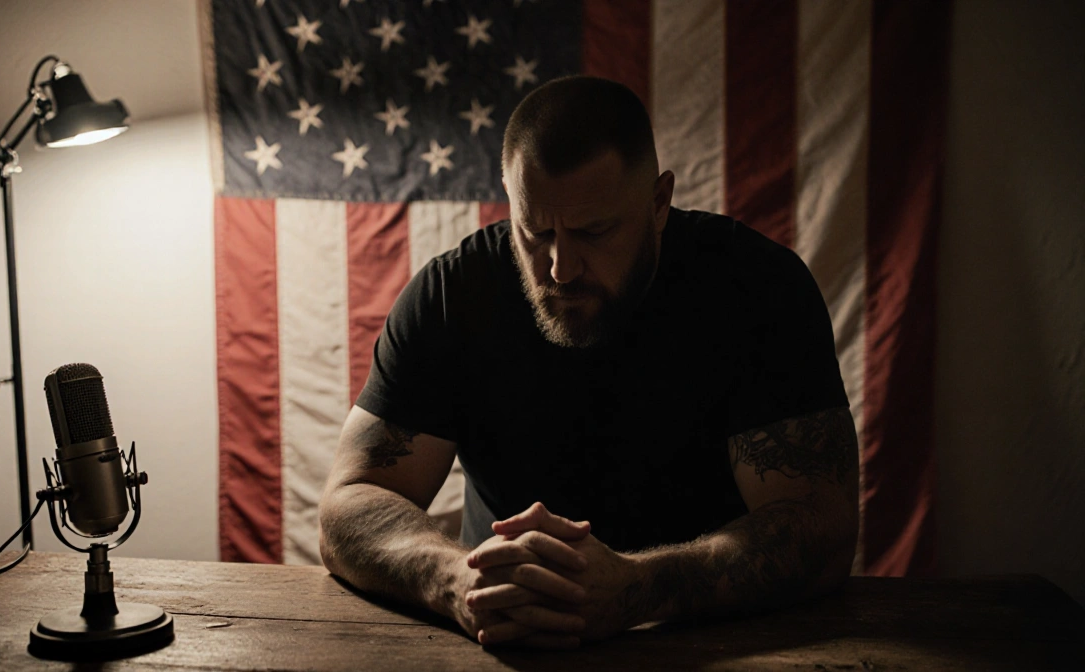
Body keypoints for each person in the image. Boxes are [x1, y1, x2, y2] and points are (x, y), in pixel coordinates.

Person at [318, 75, 859, 650]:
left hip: (715, 645)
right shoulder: (453, 295)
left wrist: (639, 588)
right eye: (536, 232)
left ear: (658, 203)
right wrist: (458, 580)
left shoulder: (758, 290)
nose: (560, 268)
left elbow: (819, 525)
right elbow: (350, 505)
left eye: (594, 232)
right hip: (505, 641)